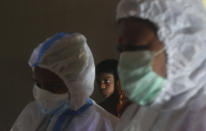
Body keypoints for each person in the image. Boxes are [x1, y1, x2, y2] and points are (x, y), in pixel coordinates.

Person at [115, 0, 206, 131]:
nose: (124, 61)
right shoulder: (136, 113)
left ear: (181, 47)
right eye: (121, 50)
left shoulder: (200, 119)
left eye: (134, 49)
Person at [11, 32, 118, 131]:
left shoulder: (106, 125)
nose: (43, 93)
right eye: (38, 84)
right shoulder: (31, 113)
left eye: (52, 86)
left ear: (77, 85)